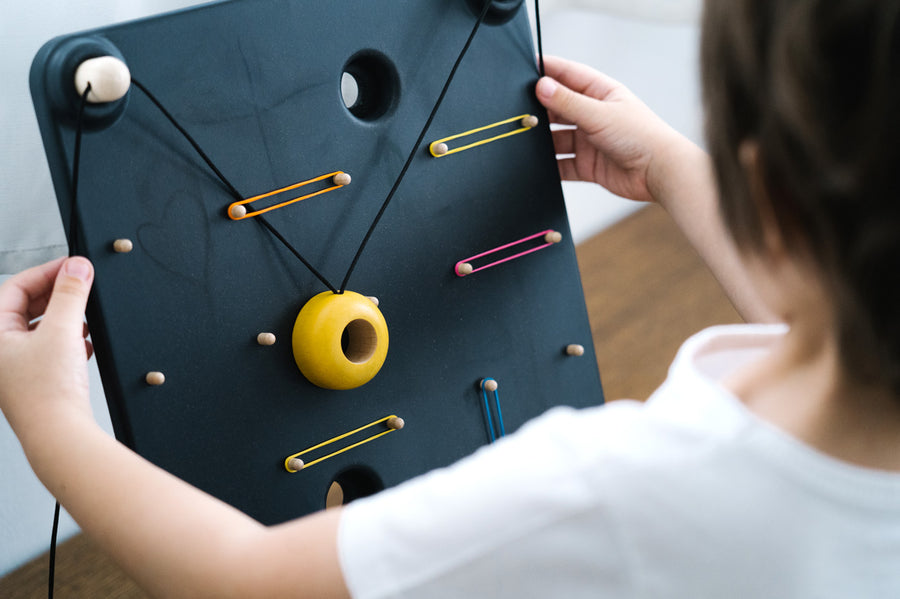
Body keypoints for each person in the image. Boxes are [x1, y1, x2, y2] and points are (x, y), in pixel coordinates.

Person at [3, 0, 900, 596]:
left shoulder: (611, 486)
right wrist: (668, 165)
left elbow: (249, 577)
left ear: (769, 191)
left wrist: (50, 422)